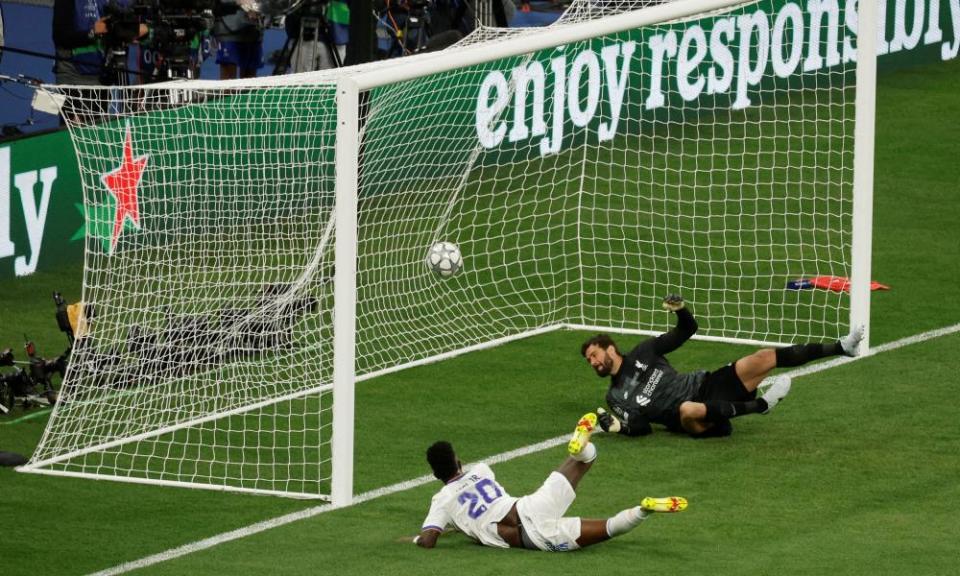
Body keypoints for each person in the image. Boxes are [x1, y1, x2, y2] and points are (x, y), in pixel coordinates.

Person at [581, 294, 865, 439]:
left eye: (594, 355)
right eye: (589, 360)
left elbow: (688, 329)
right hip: (690, 420)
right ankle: (761, 406)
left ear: (610, 348)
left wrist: (681, 310)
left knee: (763, 357)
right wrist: (618, 426)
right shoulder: (614, 397)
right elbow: (642, 427)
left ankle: (842, 347)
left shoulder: (645, 350)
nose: (593, 362)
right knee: (687, 409)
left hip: (706, 385)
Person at [413, 413, 687, 551]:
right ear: (459, 462)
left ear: (436, 475)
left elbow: (428, 540)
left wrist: (419, 537)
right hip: (531, 505)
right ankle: (581, 447)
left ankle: (644, 510)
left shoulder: (442, 500)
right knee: (583, 460)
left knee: (610, 528)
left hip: (531, 536)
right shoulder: (482, 470)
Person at [213, 0, 265, 79]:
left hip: (253, 28)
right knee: (229, 77)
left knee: (250, 77)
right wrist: (241, 1)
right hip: (228, 28)